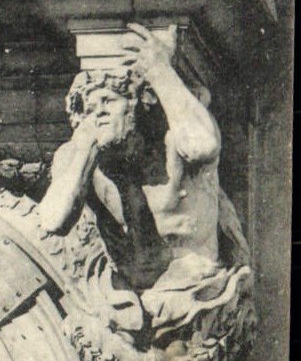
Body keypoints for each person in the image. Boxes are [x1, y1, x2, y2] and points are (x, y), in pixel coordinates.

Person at [37, 23, 247, 341]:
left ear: (136, 104)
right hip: (126, 310)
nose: (100, 114)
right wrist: (87, 146)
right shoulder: (81, 155)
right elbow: (52, 219)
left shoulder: (173, 143)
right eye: (91, 108)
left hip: (195, 297)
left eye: (110, 102)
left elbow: (204, 144)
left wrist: (160, 70)